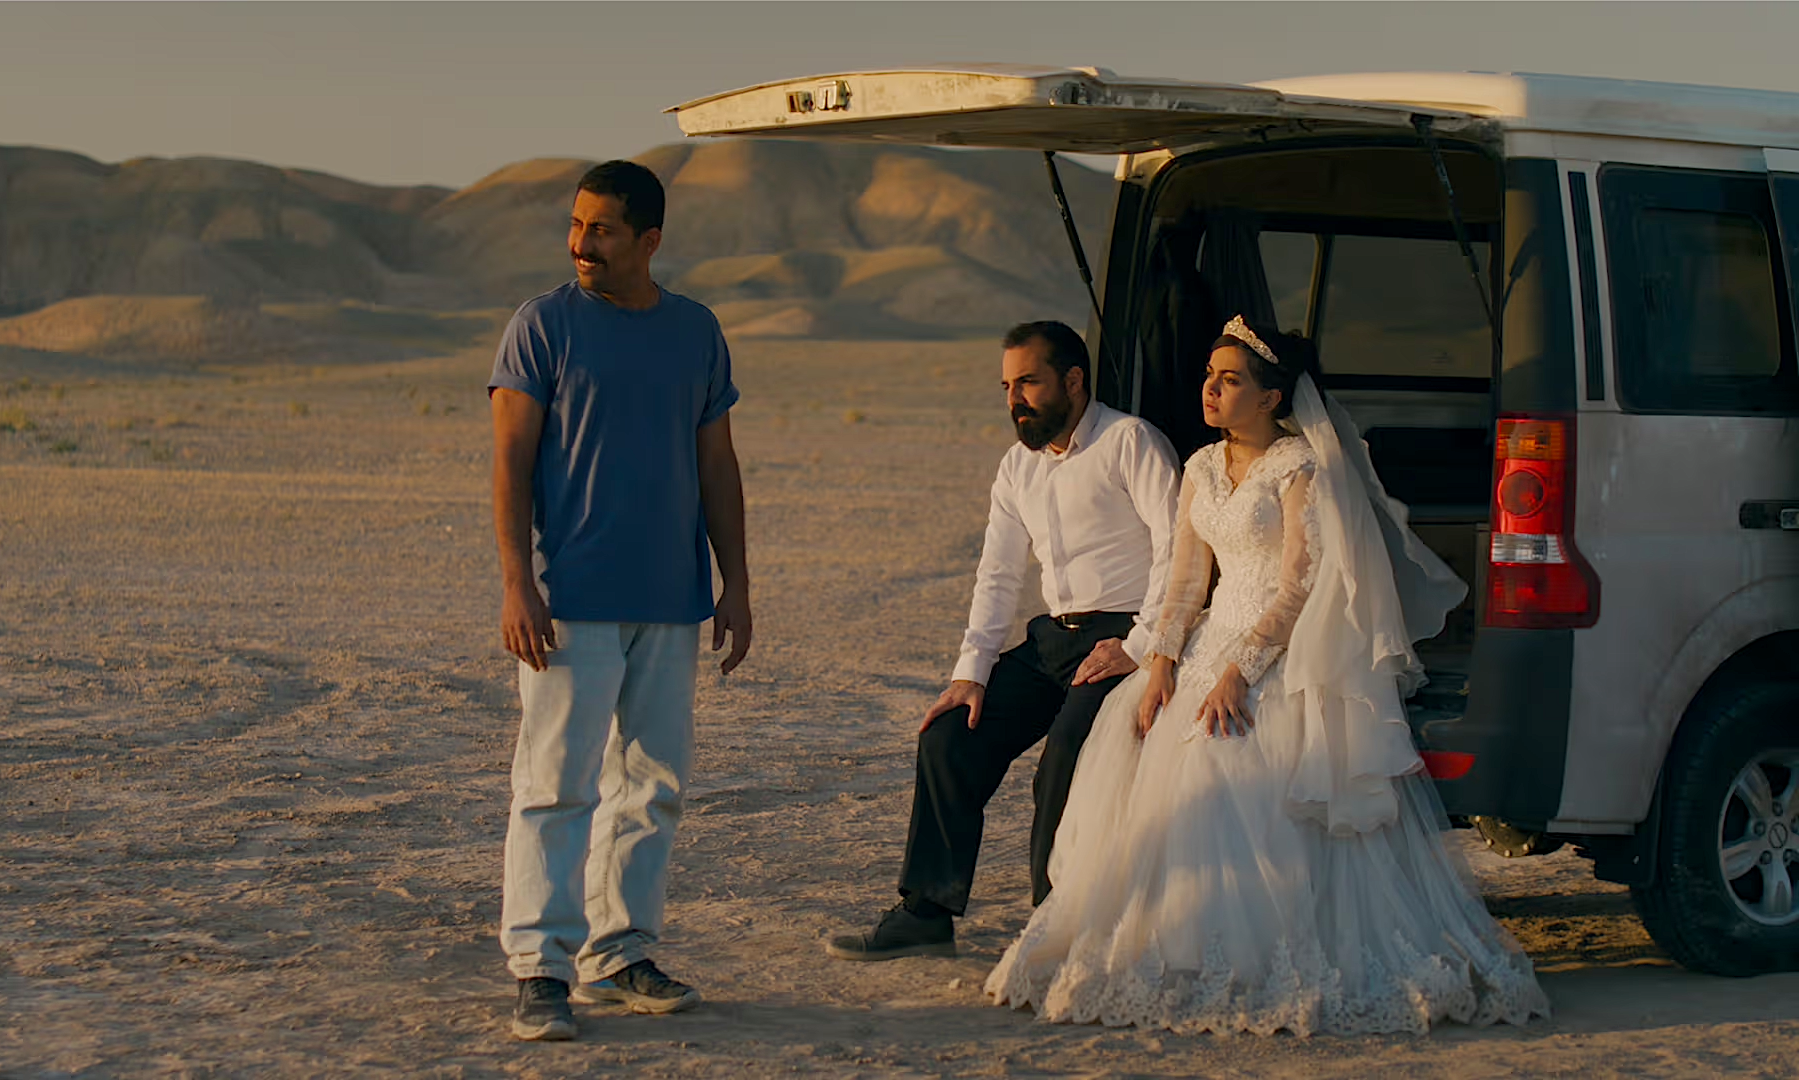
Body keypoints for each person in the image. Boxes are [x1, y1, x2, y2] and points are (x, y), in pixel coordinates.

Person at [985, 315, 1549, 1035]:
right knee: (1145, 742)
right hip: (1206, 640)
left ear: (1271, 397)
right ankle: (1169, 938)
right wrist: (1160, 665)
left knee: (1235, 756)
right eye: (1209, 378)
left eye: (1230, 380)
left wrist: (1241, 673)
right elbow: (1186, 582)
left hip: (1278, 651)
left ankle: (1262, 952)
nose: (1211, 390)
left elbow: (1298, 586)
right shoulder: (1197, 468)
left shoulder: (1299, 469)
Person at [488, 160, 751, 1042]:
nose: (580, 244)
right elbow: (509, 463)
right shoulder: (543, 327)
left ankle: (620, 949)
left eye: (600, 230)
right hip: (571, 600)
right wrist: (517, 582)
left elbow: (717, 462)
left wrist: (736, 583)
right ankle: (540, 967)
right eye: (575, 225)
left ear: (650, 241)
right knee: (555, 786)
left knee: (651, 786)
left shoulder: (695, 332)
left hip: (671, 601)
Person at [826, 321, 1181, 962]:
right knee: (948, 737)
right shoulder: (1017, 466)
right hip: (1052, 642)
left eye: (1028, 383)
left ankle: (1054, 928)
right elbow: (997, 573)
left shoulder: (1131, 442)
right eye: (1006, 386)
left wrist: (1142, 641)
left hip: (1124, 638)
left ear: (1073, 382)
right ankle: (925, 914)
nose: (1014, 399)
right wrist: (972, 672)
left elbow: (1176, 550)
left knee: (1062, 764)